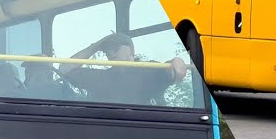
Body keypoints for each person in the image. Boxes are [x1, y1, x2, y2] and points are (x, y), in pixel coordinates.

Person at [59, 33, 189, 105]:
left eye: (116, 48)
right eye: (106, 51)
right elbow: (65, 69)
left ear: (132, 50)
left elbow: (175, 71)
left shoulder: (149, 69)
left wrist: (176, 61)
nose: (111, 54)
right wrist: (96, 46)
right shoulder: (99, 78)